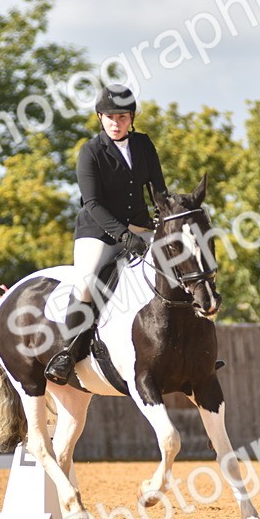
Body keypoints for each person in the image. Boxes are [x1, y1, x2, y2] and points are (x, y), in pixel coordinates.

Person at [44, 84, 166, 385]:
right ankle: (68, 353)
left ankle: (190, 351)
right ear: (100, 117)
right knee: (86, 285)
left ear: (132, 117)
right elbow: (93, 203)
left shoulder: (144, 145)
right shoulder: (90, 152)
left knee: (179, 266)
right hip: (97, 232)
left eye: (122, 117)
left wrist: (164, 219)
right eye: (110, 117)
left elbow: (158, 190)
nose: (116, 123)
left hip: (139, 227)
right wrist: (124, 237)